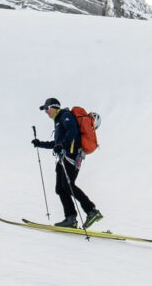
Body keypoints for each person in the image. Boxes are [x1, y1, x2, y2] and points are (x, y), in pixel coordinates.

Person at [32, 97, 102, 230]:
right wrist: (40, 143)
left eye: (47, 108)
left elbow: (73, 131)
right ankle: (71, 218)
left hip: (72, 156)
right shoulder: (58, 121)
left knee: (68, 185)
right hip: (63, 158)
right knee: (60, 188)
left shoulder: (65, 116)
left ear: (54, 107)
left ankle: (92, 211)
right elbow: (57, 144)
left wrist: (62, 145)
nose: (46, 112)